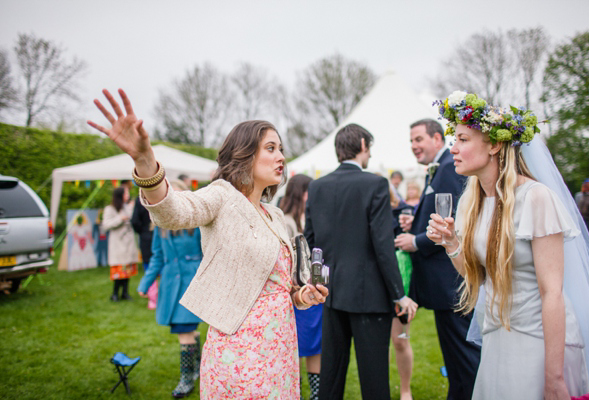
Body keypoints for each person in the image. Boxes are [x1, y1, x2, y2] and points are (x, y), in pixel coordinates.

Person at [88, 88, 328, 399]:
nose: (281, 156)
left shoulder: (275, 215)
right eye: (270, 148)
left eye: (281, 149)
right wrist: (146, 162)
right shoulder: (222, 195)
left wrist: (302, 295)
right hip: (240, 349)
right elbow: (173, 212)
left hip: (281, 346)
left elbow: (279, 287)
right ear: (245, 153)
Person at [427, 91, 589, 397]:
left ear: (494, 145)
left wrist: (554, 377)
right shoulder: (472, 200)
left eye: (463, 140)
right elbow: (475, 276)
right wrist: (451, 242)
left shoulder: (536, 198)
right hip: (498, 339)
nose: (453, 149)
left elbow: (552, 293)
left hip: (539, 342)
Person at [304, 123, 418, 400]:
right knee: (374, 374)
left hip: (330, 293)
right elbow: (382, 244)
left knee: (331, 372)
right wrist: (399, 294)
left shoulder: (317, 186)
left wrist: (319, 283)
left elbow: (310, 240)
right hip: (370, 296)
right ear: (364, 145)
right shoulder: (375, 183)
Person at [395, 118, 480, 400]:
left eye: (418, 139)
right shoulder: (439, 169)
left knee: (463, 354)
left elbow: (453, 220)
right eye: (411, 141)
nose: (414, 146)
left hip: (451, 282)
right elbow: (436, 213)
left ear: (437, 140)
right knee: (453, 357)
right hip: (445, 286)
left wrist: (415, 241)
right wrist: (415, 222)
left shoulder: (448, 168)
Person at [137, 179, 204, 398]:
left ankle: (187, 378)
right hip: (170, 284)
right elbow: (157, 256)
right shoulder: (160, 227)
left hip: (192, 283)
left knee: (184, 329)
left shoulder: (197, 226)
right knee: (188, 329)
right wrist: (146, 283)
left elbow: (207, 254)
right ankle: (199, 367)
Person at [280, 174, 322, 400]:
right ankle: (292, 389)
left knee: (316, 344)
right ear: (301, 193)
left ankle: (316, 393)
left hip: (312, 291)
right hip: (293, 293)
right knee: (294, 345)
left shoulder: (311, 216)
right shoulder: (285, 220)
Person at [102, 185, 138, 301]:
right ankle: (115, 293)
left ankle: (125, 293)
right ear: (120, 195)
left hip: (128, 243)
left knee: (127, 269)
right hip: (118, 244)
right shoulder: (110, 209)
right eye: (126, 193)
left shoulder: (127, 207)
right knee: (119, 271)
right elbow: (106, 225)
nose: (127, 196)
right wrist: (120, 219)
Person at [131, 190, 156, 308]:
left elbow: (135, 221)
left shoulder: (139, 200)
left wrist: (142, 232)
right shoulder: (160, 197)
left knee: (150, 266)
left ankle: (153, 299)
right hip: (157, 233)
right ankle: (155, 297)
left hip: (147, 236)